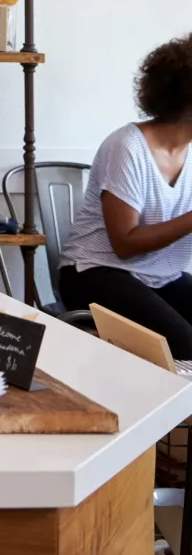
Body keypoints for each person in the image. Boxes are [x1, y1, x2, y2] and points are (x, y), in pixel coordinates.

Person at [60, 34, 192, 357]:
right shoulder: (127, 147)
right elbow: (125, 244)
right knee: (187, 345)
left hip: (160, 276)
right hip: (94, 273)